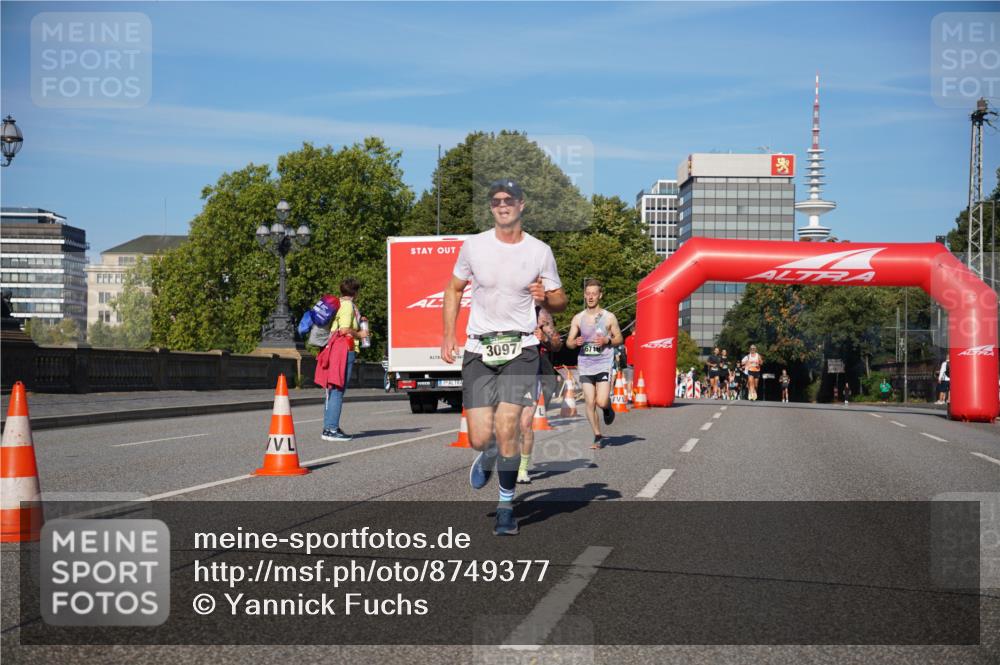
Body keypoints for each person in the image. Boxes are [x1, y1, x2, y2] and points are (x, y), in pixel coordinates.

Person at [441, 178, 566, 536]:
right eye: (496, 200)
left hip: (521, 348)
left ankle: (506, 505)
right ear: (491, 207)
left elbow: (560, 301)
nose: (502, 205)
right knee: (481, 437)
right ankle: (490, 451)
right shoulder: (474, 246)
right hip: (479, 347)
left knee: (510, 424)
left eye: (508, 199)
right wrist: (448, 333)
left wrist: (546, 296)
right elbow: (453, 289)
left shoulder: (539, 251)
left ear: (521, 204)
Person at [566, 279, 624, 450]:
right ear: (585, 295)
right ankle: (598, 435)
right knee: (589, 402)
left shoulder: (609, 317)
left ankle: (607, 408)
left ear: (600, 295)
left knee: (601, 401)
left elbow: (619, 338)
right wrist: (575, 342)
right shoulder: (578, 318)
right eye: (588, 294)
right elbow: (568, 342)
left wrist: (607, 339)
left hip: (604, 362)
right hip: (585, 363)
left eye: (594, 294)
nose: (591, 297)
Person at [517, 305, 562, 484]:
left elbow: (557, 343)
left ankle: (522, 468)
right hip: (508, 374)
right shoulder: (509, 309)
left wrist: (545, 339)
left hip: (532, 375)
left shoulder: (542, 315)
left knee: (525, 424)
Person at [321, 278, 369, 442]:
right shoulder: (348, 305)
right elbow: (344, 329)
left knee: (332, 389)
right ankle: (332, 429)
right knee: (338, 389)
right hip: (344, 349)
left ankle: (329, 427)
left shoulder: (338, 303)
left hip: (334, 348)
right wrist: (360, 334)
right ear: (355, 292)